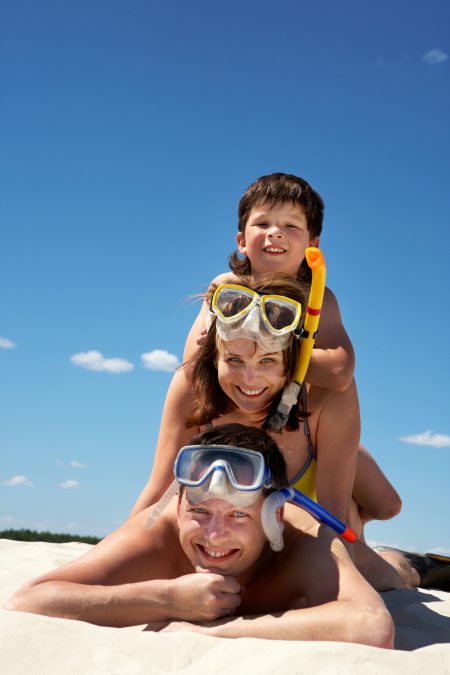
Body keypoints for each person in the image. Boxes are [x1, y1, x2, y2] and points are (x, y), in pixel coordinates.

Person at [130, 173, 401, 527]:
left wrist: (269, 346)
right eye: (263, 223)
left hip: (309, 434)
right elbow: (194, 362)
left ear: (312, 244)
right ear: (242, 240)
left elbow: (338, 371)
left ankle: (354, 516)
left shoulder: (318, 298)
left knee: (387, 505)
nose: (275, 232)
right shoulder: (227, 287)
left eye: (290, 225)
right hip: (262, 426)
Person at [5, 424, 395, 648]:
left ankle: (407, 560)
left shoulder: (306, 541)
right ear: (178, 506)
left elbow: (373, 626)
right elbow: (28, 601)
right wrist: (166, 597)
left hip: (360, 557)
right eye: (200, 511)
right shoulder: (158, 533)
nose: (214, 535)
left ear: (274, 515)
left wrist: (221, 630)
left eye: (239, 514)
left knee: (398, 574)